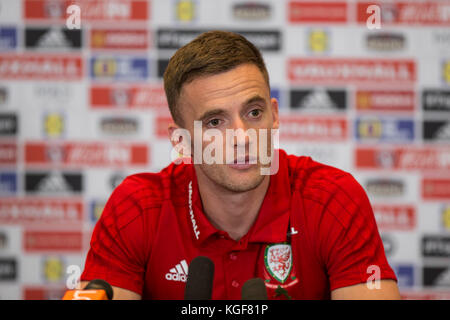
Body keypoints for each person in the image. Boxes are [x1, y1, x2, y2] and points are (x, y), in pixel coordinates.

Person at [80, 31, 400, 300]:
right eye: (215, 121)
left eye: (254, 113)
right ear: (181, 141)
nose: (242, 137)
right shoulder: (137, 208)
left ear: (275, 115)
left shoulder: (333, 199)